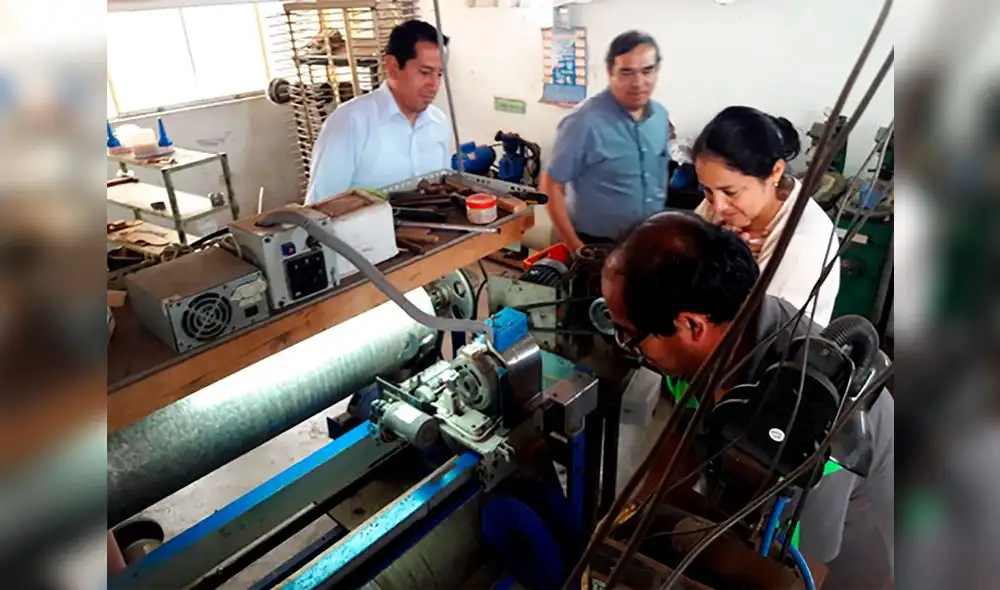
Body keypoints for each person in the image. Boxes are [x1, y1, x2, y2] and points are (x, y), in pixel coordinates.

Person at [602, 211, 894, 590]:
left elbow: (797, 570)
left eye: (629, 335)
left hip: (843, 557)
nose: (628, 348)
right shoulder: (718, 338)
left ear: (692, 325)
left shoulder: (814, 411)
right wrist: (635, 522)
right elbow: (678, 439)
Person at [693, 106, 840, 326]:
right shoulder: (717, 202)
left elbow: (757, 332)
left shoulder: (806, 241)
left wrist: (730, 271)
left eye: (731, 192)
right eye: (706, 190)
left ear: (776, 172)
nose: (718, 206)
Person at [540, 30, 671, 250]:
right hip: (597, 244)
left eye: (647, 71)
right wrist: (575, 247)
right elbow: (551, 185)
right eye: (627, 72)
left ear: (657, 70)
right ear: (610, 72)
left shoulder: (660, 116)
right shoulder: (583, 121)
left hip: (647, 239)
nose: (638, 82)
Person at [305, 20, 451, 204]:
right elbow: (319, 211)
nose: (434, 85)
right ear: (392, 67)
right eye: (424, 72)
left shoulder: (439, 123)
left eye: (439, 74)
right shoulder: (350, 123)